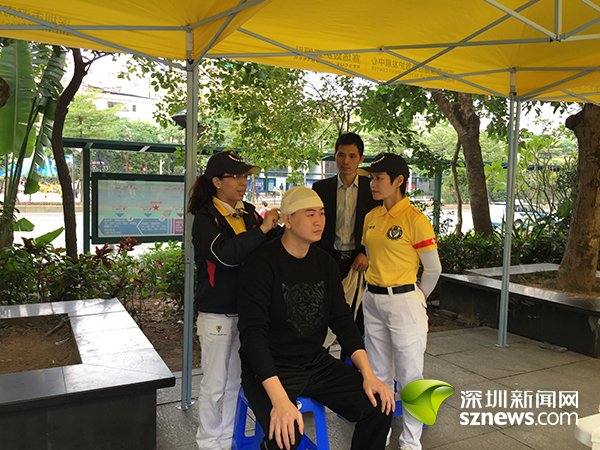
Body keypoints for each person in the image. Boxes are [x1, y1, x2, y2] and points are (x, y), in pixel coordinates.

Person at [237, 187, 394, 450]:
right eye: (310, 214)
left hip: (315, 362)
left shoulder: (325, 263)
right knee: (286, 435)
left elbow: (342, 320)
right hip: (270, 368)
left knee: (378, 406)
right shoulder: (260, 264)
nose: (319, 221)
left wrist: (369, 375)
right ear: (287, 220)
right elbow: (253, 336)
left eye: (321, 213)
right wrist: (280, 401)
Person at [188, 150, 280, 450]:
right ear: (216, 181)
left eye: (246, 177)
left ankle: (227, 440)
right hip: (217, 313)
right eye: (236, 177)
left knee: (234, 383)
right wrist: (263, 229)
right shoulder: (206, 219)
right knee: (214, 384)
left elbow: (267, 251)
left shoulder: (249, 214)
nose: (243, 182)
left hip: (248, 313)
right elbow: (225, 255)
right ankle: (208, 442)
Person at [358, 153, 442, 450]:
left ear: (398, 181)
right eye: (371, 178)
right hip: (373, 300)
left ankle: (411, 442)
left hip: (404, 301)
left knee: (411, 377)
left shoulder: (415, 219)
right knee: (379, 374)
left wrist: (419, 296)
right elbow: (372, 257)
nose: (373, 183)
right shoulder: (371, 217)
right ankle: (380, 434)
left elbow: (433, 269)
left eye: (379, 178)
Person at [312, 132, 379, 358]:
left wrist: (366, 253)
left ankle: (351, 366)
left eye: (352, 156)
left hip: (359, 262)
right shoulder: (321, 188)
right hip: (328, 259)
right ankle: (319, 363)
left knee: (356, 319)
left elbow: (379, 226)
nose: (346, 161)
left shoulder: (372, 189)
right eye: (341, 155)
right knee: (324, 314)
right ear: (335, 156)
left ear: (361, 159)